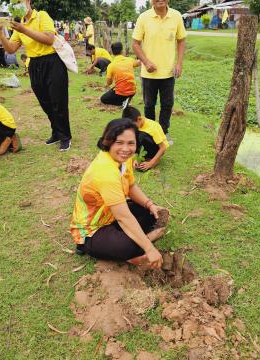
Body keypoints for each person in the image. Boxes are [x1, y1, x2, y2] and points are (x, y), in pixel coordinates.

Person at [70, 118, 168, 267]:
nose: (126, 149)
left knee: (150, 212)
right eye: (119, 142)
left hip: (111, 214)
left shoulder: (124, 159)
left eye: (131, 143)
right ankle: (133, 249)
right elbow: (123, 216)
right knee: (127, 246)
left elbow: (131, 186)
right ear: (108, 142)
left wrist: (149, 204)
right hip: (93, 229)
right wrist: (150, 248)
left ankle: (138, 241)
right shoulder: (106, 171)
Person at [0, 0, 72, 152]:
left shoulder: (42, 16)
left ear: (28, 1)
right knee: (45, 101)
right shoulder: (18, 25)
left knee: (58, 101)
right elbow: (10, 49)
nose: (17, 5)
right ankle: (56, 131)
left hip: (52, 61)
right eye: (14, 3)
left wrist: (24, 30)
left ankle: (65, 136)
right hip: (34, 65)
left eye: (20, 1)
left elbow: (49, 39)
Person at [132, 0, 187, 145]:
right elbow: (135, 44)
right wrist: (146, 61)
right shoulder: (144, 17)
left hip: (168, 72)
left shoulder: (176, 16)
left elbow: (181, 40)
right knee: (149, 104)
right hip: (149, 73)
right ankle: (150, 132)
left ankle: (163, 132)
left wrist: (179, 63)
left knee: (167, 104)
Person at [122, 106, 169, 171]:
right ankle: (141, 158)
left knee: (142, 135)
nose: (132, 127)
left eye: (133, 125)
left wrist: (151, 163)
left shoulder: (152, 127)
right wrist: (135, 158)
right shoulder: (137, 125)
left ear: (139, 119)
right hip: (144, 146)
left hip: (158, 148)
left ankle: (152, 159)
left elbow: (163, 148)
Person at [101, 42, 140, 106]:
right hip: (132, 90)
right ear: (122, 51)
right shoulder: (130, 60)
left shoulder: (111, 66)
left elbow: (109, 83)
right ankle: (127, 99)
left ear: (112, 52)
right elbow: (138, 63)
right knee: (115, 88)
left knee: (103, 99)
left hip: (121, 92)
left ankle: (122, 103)